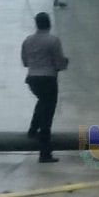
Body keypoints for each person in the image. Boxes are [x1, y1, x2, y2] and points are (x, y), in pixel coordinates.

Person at [21, 12, 69, 163]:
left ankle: (32, 130)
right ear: (49, 24)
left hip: (32, 79)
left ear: (37, 24)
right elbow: (59, 63)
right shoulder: (53, 41)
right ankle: (44, 153)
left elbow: (25, 62)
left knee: (42, 102)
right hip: (48, 79)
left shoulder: (27, 40)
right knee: (47, 115)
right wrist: (65, 62)